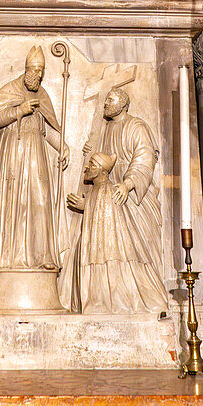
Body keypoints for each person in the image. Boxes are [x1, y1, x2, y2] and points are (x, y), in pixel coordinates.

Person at [65, 86, 168, 313]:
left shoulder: (136, 126)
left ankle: (142, 296)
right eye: (106, 100)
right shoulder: (106, 128)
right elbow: (101, 165)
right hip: (110, 199)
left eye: (110, 100)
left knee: (137, 250)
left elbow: (144, 158)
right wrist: (90, 152)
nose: (105, 104)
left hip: (132, 197)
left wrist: (127, 184)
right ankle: (113, 295)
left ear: (123, 104)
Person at [0, 45, 68, 272]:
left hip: (37, 153)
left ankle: (43, 254)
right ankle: (9, 256)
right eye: (34, 70)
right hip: (14, 153)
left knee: (40, 200)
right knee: (14, 202)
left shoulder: (43, 95)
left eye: (41, 72)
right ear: (25, 69)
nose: (37, 76)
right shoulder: (10, 89)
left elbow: (47, 129)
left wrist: (62, 146)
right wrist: (19, 110)